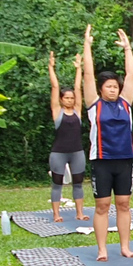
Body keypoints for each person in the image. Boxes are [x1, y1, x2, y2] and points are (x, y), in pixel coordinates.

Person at [82, 25, 133, 262]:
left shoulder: (125, 103)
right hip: (102, 161)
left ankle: (125, 247)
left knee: (124, 204)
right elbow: (87, 75)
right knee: (103, 205)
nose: (113, 89)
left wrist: (128, 49)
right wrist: (87, 46)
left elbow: (132, 76)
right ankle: (102, 249)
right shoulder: (94, 104)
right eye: (109, 86)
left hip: (125, 160)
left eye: (116, 86)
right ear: (101, 89)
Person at [48, 51, 89, 222]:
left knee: (78, 183)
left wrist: (79, 68)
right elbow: (55, 87)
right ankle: (56, 214)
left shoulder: (78, 111)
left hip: (77, 152)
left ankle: (79, 213)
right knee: (57, 183)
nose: (70, 100)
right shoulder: (57, 112)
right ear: (62, 100)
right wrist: (51, 67)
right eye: (67, 98)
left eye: (72, 98)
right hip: (59, 152)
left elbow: (78, 88)